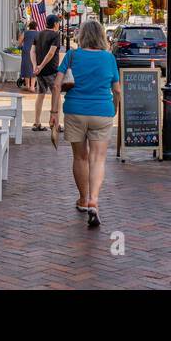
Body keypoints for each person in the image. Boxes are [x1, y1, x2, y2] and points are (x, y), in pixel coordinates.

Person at [50, 18, 120, 229]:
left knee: (80, 157)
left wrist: (53, 112)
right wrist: (114, 108)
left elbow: (56, 85)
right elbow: (116, 90)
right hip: (102, 112)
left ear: (81, 35)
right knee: (97, 159)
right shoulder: (109, 58)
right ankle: (94, 201)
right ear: (101, 36)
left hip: (75, 111)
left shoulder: (72, 56)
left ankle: (82, 199)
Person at [31, 16, 62, 131]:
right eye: (58, 23)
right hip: (51, 70)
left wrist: (36, 66)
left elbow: (32, 51)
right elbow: (51, 53)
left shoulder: (38, 34)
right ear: (55, 24)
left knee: (40, 95)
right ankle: (56, 124)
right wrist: (41, 66)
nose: (58, 25)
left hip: (40, 72)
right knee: (56, 97)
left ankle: (36, 122)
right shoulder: (55, 35)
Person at [19, 20, 38, 91]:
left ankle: (27, 85)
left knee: (26, 67)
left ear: (29, 26)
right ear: (36, 27)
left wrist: (21, 46)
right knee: (34, 67)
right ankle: (32, 87)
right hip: (34, 51)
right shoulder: (38, 33)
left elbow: (20, 40)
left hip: (26, 51)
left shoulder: (25, 33)